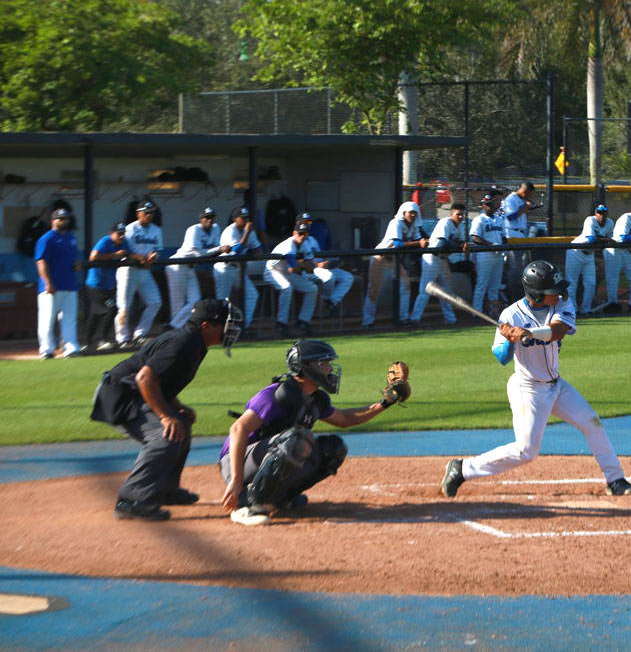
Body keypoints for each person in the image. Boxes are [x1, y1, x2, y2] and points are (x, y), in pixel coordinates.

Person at [440, 260, 631, 499]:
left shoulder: (563, 304)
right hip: (528, 389)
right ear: (536, 293)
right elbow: (501, 358)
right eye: (552, 291)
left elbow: (557, 331)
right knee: (526, 451)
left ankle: (615, 479)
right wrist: (510, 341)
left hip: (557, 385)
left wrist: (528, 333)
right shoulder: (510, 315)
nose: (560, 294)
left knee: (591, 422)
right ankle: (462, 469)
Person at [221, 340, 407, 526]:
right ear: (308, 367)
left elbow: (345, 419)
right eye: (324, 364)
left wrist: (385, 403)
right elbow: (238, 429)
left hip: (268, 454)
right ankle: (247, 506)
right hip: (237, 462)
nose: (330, 369)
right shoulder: (275, 395)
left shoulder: (316, 399)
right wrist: (236, 479)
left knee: (332, 449)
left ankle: (280, 498)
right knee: (297, 441)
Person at [90, 298, 242, 521]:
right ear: (206, 326)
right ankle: (131, 500)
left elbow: (162, 382)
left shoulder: (194, 343)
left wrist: (177, 408)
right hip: (119, 395)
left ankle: (164, 489)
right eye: (225, 325)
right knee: (166, 436)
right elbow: (145, 378)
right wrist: (164, 416)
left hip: (132, 393)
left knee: (181, 423)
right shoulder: (183, 344)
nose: (231, 329)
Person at [362, 201, 427, 329]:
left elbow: (417, 241)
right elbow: (398, 244)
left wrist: (424, 242)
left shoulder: (414, 226)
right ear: (404, 213)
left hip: (395, 260)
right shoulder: (396, 222)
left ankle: (403, 318)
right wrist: (419, 243)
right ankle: (367, 321)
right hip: (380, 258)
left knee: (406, 285)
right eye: (410, 213)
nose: (413, 215)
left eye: (415, 213)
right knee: (374, 290)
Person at [165, 207, 231, 331]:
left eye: (211, 217)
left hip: (191, 266)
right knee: (177, 304)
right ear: (201, 219)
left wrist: (225, 249)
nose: (209, 220)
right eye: (206, 217)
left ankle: (172, 326)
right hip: (177, 264)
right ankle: (174, 331)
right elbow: (199, 253)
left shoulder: (216, 228)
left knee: (195, 301)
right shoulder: (194, 230)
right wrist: (219, 249)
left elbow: (215, 250)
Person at [410, 203, 470, 325]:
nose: (460, 217)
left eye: (462, 215)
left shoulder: (458, 226)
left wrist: (463, 243)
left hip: (442, 260)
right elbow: (442, 244)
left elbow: (458, 240)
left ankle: (451, 319)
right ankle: (415, 319)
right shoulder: (446, 222)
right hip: (432, 258)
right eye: (457, 214)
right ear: (451, 214)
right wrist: (459, 245)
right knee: (425, 290)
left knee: (446, 292)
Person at [115, 200, 164, 349]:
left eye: (151, 213)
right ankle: (122, 338)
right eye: (146, 212)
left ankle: (139, 333)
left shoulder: (157, 229)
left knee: (155, 302)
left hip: (145, 271)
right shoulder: (129, 229)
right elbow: (125, 251)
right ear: (138, 214)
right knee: (124, 307)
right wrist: (140, 258)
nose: (149, 215)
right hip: (128, 270)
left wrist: (153, 257)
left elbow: (158, 249)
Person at [35, 206, 81, 359]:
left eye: (66, 218)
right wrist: (47, 282)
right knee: (47, 319)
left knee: (70, 318)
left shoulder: (71, 237)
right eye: (61, 218)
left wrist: (76, 265)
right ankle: (46, 350)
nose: (64, 221)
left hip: (69, 284)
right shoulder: (47, 238)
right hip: (51, 286)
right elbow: (41, 262)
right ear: (53, 221)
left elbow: (70, 259)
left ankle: (71, 348)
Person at [214, 206, 263, 339]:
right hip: (224, 267)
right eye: (243, 218)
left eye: (247, 218)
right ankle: (218, 332)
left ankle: (242, 327)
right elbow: (237, 252)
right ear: (236, 219)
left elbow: (257, 248)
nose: (246, 221)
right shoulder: (230, 231)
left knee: (253, 294)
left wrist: (256, 252)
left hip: (237, 270)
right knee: (223, 301)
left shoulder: (250, 231)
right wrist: (247, 234)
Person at [264, 219, 319, 337]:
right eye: (300, 233)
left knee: (313, 288)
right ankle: (281, 323)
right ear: (294, 233)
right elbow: (293, 269)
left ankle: (303, 321)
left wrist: (301, 265)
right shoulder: (289, 245)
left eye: (305, 234)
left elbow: (310, 267)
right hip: (272, 271)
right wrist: (303, 265)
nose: (302, 236)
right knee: (287, 288)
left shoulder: (305, 244)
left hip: (286, 272)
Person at [84, 222, 132, 352]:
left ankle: (87, 342)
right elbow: (93, 256)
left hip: (108, 285)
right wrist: (114, 255)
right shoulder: (105, 241)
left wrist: (144, 258)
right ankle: (103, 340)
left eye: (123, 234)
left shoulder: (124, 243)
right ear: (112, 234)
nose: (121, 236)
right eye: (119, 234)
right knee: (111, 309)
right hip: (95, 284)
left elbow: (130, 254)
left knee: (96, 313)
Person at [298, 212, 354, 317]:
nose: (307, 224)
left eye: (308, 222)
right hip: (309, 270)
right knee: (329, 277)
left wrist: (327, 263)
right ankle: (326, 300)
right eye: (304, 222)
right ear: (298, 223)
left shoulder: (313, 240)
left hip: (321, 268)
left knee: (348, 277)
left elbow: (320, 255)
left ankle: (331, 302)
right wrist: (318, 265)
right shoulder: (297, 239)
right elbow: (299, 262)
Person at [565, 204, 614, 315]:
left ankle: (586, 310)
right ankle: (573, 310)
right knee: (572, 282)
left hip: (589, 254)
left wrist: (608, 240)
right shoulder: (590, 220)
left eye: (604, 212)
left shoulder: (610, 223)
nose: (601, 215)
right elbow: (591, 239)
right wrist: (607, 239)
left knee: (591, 283)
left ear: (607, 213)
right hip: (576, 251)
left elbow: (612, 238)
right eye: (599, 213)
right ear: (595, 213)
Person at [501, 181, 539, 299]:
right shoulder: (510, 199)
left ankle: (518, 290)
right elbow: (510, 216)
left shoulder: (520, 200)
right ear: (524, 192)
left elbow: (520, 215)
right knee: (515, 267)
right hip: (512, 234)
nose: (530, 197)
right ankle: (513, 293)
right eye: (529, 194)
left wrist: (527, 210)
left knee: (522, 266)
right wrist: (526, 207)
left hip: (521, 234)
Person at [469, 193, 505, 316]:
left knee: (495, 286)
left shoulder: (499, 219)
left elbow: (504, 237)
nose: (489, 206)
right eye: (487, 204)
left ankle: (493, 311)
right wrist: (491, 245)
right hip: (484, 255)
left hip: (498, 255)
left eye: (491, 204)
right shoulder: (479, 219)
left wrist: (504, 249)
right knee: (481, 285)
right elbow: (475, 238)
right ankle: (476, 312)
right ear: (483, 206)